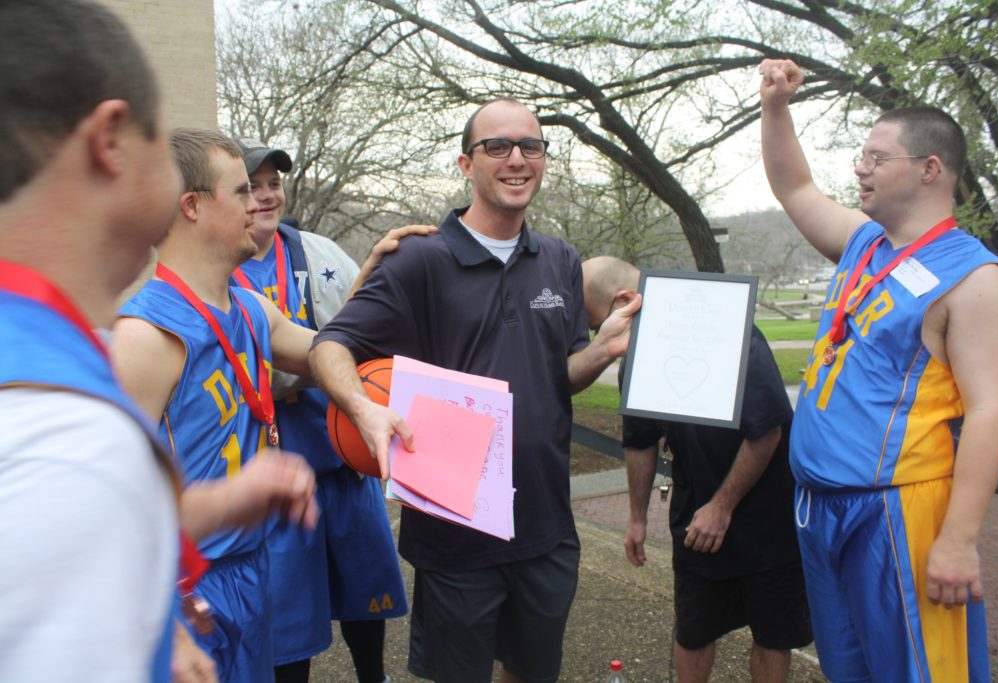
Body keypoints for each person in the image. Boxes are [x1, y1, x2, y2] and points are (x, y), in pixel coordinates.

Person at [0, 4, 318, 682]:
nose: (258, 202)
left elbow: (104, 510)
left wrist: (222, 503)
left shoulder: (56, 354)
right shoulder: (59, 407)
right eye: (157, 136)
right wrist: (161, 617)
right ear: (111, 141)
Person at [309, 97, 641, 683]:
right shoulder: (420, 261)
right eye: (497, 147)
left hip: (544, 525)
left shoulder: (560, 259)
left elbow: (558, 376)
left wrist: (601, 349)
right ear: (466, 164)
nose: (517, 159)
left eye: (530, 146)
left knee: (532, 672)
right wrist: (363, 409)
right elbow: (327, 347)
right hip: (455, 530)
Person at [759, 59, 998, 682]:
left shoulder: (977, 279)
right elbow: (795, 187)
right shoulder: (865, 242)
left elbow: (992, 413)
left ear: (930, 169)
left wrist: (958, 540)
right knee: (848, 669)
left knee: (920, 672)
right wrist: (775, 107)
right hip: (822, 505)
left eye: (878, 157)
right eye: (861, 155)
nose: (860, 168)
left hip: (899, 510)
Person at [111, 128, 322, 683]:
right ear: (193, 206)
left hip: (252, 567)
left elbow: (328, 351)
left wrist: (391, 287)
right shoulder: (146, 335)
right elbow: (105, 505)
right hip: (190, 586)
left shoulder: (250, 308)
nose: (259, 204)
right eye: (240, 192)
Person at [232, 136, 434, 683]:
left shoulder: (314, 251)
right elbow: (274, 370)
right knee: (290, 616)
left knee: (366, 591)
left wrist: (372, 266)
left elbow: (356, 331)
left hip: (344, 460)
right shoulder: (221, 273)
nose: (267, 196)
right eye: (252, 187)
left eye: (274, 184)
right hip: (275, 474)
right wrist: (321, 364)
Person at [582, 256, 812, 683]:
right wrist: (635, 518)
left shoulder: (727, 326)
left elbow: (767, 431)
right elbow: (641, 439)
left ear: (625, 300)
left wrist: (721, 507)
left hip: (767, 516)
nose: (601, 336)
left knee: (773, 635)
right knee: (693, 630)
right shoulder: (635, 349)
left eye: (598, 323)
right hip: (694, 511)